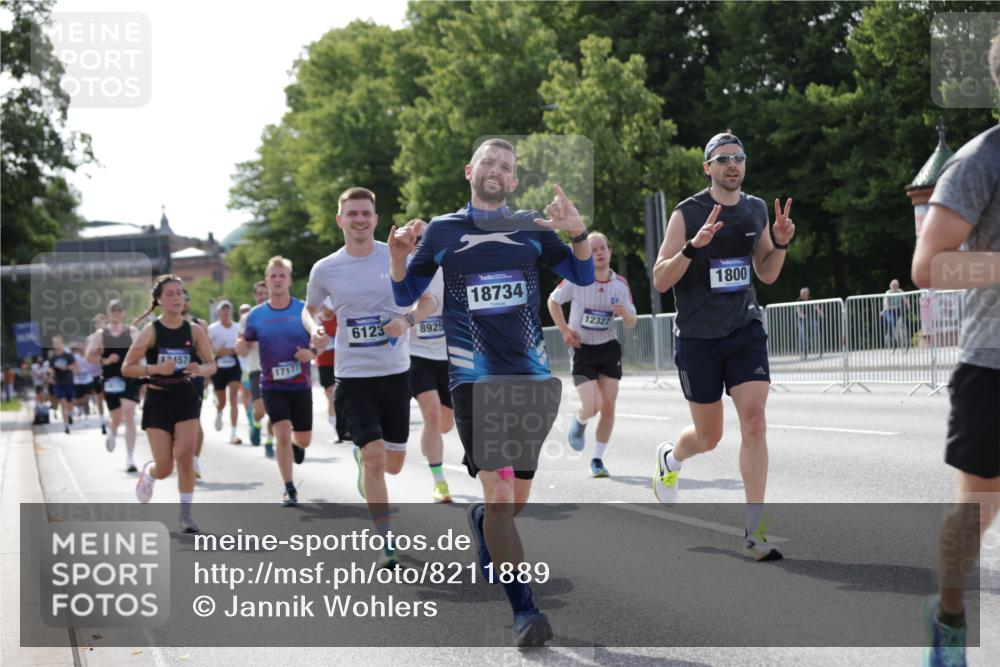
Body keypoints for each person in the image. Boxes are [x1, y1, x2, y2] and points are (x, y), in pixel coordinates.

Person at [390, 138, 594, 647]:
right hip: (472, 381)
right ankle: (525, 611)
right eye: (489, 161)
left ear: (514, 181)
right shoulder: (442, 231)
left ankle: (480, 520)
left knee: (513, 500)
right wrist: (398, 259)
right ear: (470, 170)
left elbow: (583, 273)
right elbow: (402, 295)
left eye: (507, 165)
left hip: (531, 380)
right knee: (500, 491)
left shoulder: (529, 226)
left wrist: (577, 232)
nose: (497, 170)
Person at [651, 131, 794, 562]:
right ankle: (672, 459)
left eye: (739, 158)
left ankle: (755, 531)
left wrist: (782, 242)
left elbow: (766, 273)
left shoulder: (753, 210)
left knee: (754, 422)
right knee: (709, 437)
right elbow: (660, 279)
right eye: (723, 158)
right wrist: (694, 249)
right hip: (698, 338)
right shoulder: (687, 213)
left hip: (744, 330)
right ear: (707, 167)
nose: (733, 165)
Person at [911, 31, 1000, 667]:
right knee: (976, 514)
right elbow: (929, 266)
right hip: (992, 365)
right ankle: (947, 617)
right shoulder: (979, 161)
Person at [304, 186, 436, 569]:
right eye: (352, 213)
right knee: (375, 457)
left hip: (395, 374)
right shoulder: (325, 268)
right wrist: (313, 329)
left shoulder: (396, 255)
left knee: (393, 463)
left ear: (375, 219)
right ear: (340, 219)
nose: (359, 220)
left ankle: (369, 463)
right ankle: (386, 542)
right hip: (352, 376)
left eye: (366, 213)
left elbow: (429, 301)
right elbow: (309, 309)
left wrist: (406, 320)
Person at [122, 275, 216, 533]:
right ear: (159, 300)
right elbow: (127, 368)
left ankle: (185, 515)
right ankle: (150, 474)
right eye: (171, 294)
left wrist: (200, 368)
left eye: (180, 293)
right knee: (165, 467)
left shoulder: (194, 330)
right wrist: (155, 368)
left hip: (185, 396)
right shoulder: (151, 331)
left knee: (185, 457)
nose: (177, 298)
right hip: (158, 399)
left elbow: (212, 365)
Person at [548, 231, 636, 477]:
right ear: (587, 254)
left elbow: (632, 321)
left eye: (602, 248)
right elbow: (553, 302)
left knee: (608, 406)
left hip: (608, 348)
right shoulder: (576, 278)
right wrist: (565, 330)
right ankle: (580, 422)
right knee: (592, 406)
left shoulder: (620, 284)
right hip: (582, 349)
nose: (598, 253)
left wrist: (624, 314)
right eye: (593, 249)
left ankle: (597, 460)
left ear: (609, 252)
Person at [237, 256, 321, 507]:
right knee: (281, 432)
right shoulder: (255, 315)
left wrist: (312, 353)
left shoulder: (304, 310)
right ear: (266, 281)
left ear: (289, 280)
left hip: (301, 384)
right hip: (272, 385)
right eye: (272, 276)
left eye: (281, 275)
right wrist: (240, 347)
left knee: (302, 439)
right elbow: (245, 346)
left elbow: (319, 342)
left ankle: (298, 444)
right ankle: (289, 487)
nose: (276, 280)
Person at [402, 219, 454, 502]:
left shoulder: (449, 268)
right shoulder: (402, 269)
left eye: (427, 236)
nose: (422, 241)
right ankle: (439, 481)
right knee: (432, 415)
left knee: (444, 424)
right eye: (417, 237)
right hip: (415, 353)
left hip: (446, 354)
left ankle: (430, 438)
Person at [86, 299, 140, 472]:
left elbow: (142, 351)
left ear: (123, 313)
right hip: (111, 379)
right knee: (116, 417)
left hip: (129, 377)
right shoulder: (101, 334)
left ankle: (130, 458)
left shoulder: (131, 331)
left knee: (129, 413)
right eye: (113, 310)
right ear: (108, 313)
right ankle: (112, 430)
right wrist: (105, 360)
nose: (117, 313)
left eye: (119, 310)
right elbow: (89, 357)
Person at [238, 282, 270, 452]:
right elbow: (244, 348)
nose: (263, 296)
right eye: (260, 294)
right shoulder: (247, 318)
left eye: (266, 293)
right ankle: (256, 424)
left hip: (277, 367)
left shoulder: (278, 313)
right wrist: (244, 343)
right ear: (254, 296)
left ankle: (270, 442)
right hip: (256, 368)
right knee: (260, 410)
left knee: (276, 411)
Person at [182, 292, 210, 478]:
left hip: (194, 378)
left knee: (195, 419)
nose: (180, 301)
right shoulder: (159, 326)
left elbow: (207, 354)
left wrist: (205, 373)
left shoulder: (199, 325)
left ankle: (194, 461)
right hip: (169, 379)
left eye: (184, 297)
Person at [208, 300, 243, 443]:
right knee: (222, 401)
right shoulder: (212, 329)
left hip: (234, 363)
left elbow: (243, 342)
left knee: (233, 398)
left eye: (228, 310)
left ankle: (233, 433)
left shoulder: (238, 327)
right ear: (218, 313)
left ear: (231, 312)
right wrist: (216, 350)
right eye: (223, 310)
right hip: (219, 365)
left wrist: (234, 350)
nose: (225, 313)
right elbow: (207, 346)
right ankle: (219, 411)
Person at [315, 299, 348, 444]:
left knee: (340, 396)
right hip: (324, 363)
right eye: (328, 307)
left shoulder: (339, 318)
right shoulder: (317, 322)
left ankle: (344, 426)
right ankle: (336, 429)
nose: (330, 310)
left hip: (340, 362)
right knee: (331, 395)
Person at [47, 336, 77, 433]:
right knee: (63, 403)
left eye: (58, 342)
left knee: (69, 403)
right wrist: (51, 375)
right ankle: (66, 426)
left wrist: (66, 367)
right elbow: (50, 369)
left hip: (69, 382)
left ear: (62, 343)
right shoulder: (53, 358)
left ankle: (70, 414)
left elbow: (75, 366)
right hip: (59, 383)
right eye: (55, 343)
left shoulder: (68, 355)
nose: (57, 344)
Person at [880, 278, 910, 350]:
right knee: (892, 322)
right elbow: (885, 300)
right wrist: (887, 306)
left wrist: (908, 305)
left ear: (898, 286)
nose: (894, 288)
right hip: (888, 311)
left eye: (896, 286)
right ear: (890, 286)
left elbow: (905, 299)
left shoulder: (900, 291)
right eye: (893, 286)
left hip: (897, 310)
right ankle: (889, 338)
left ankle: (903, 337)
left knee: (900, 322)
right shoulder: (888, 292)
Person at [795, 287, 823, 359]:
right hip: (801, 320)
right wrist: (801, 315)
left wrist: (821, 313)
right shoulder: (799, 300)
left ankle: (819, 350)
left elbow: (816, 307)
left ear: (808, 293)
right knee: (802, 333)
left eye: (805, 293)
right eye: (802, 293)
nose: (804, 294)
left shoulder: (811, 299)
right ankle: (802, 351)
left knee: (816, 330)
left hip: (811, 318)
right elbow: (798, 310)